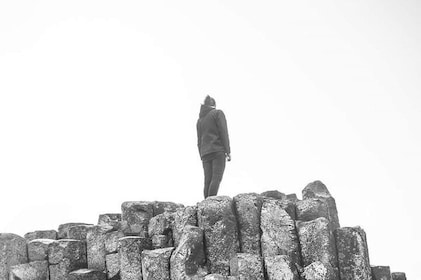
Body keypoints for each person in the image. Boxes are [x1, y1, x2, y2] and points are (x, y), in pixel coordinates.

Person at [197, 95, 231, 198]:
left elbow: (199, 140)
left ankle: (205, 203)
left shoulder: (200, 121)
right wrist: (228, 151)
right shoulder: (217, 113)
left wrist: (201, 154)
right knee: (216, 178)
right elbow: (223, 132)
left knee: (207, 180)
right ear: (214, 105)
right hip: (217, 151)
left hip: (205, 153)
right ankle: (210, 203)